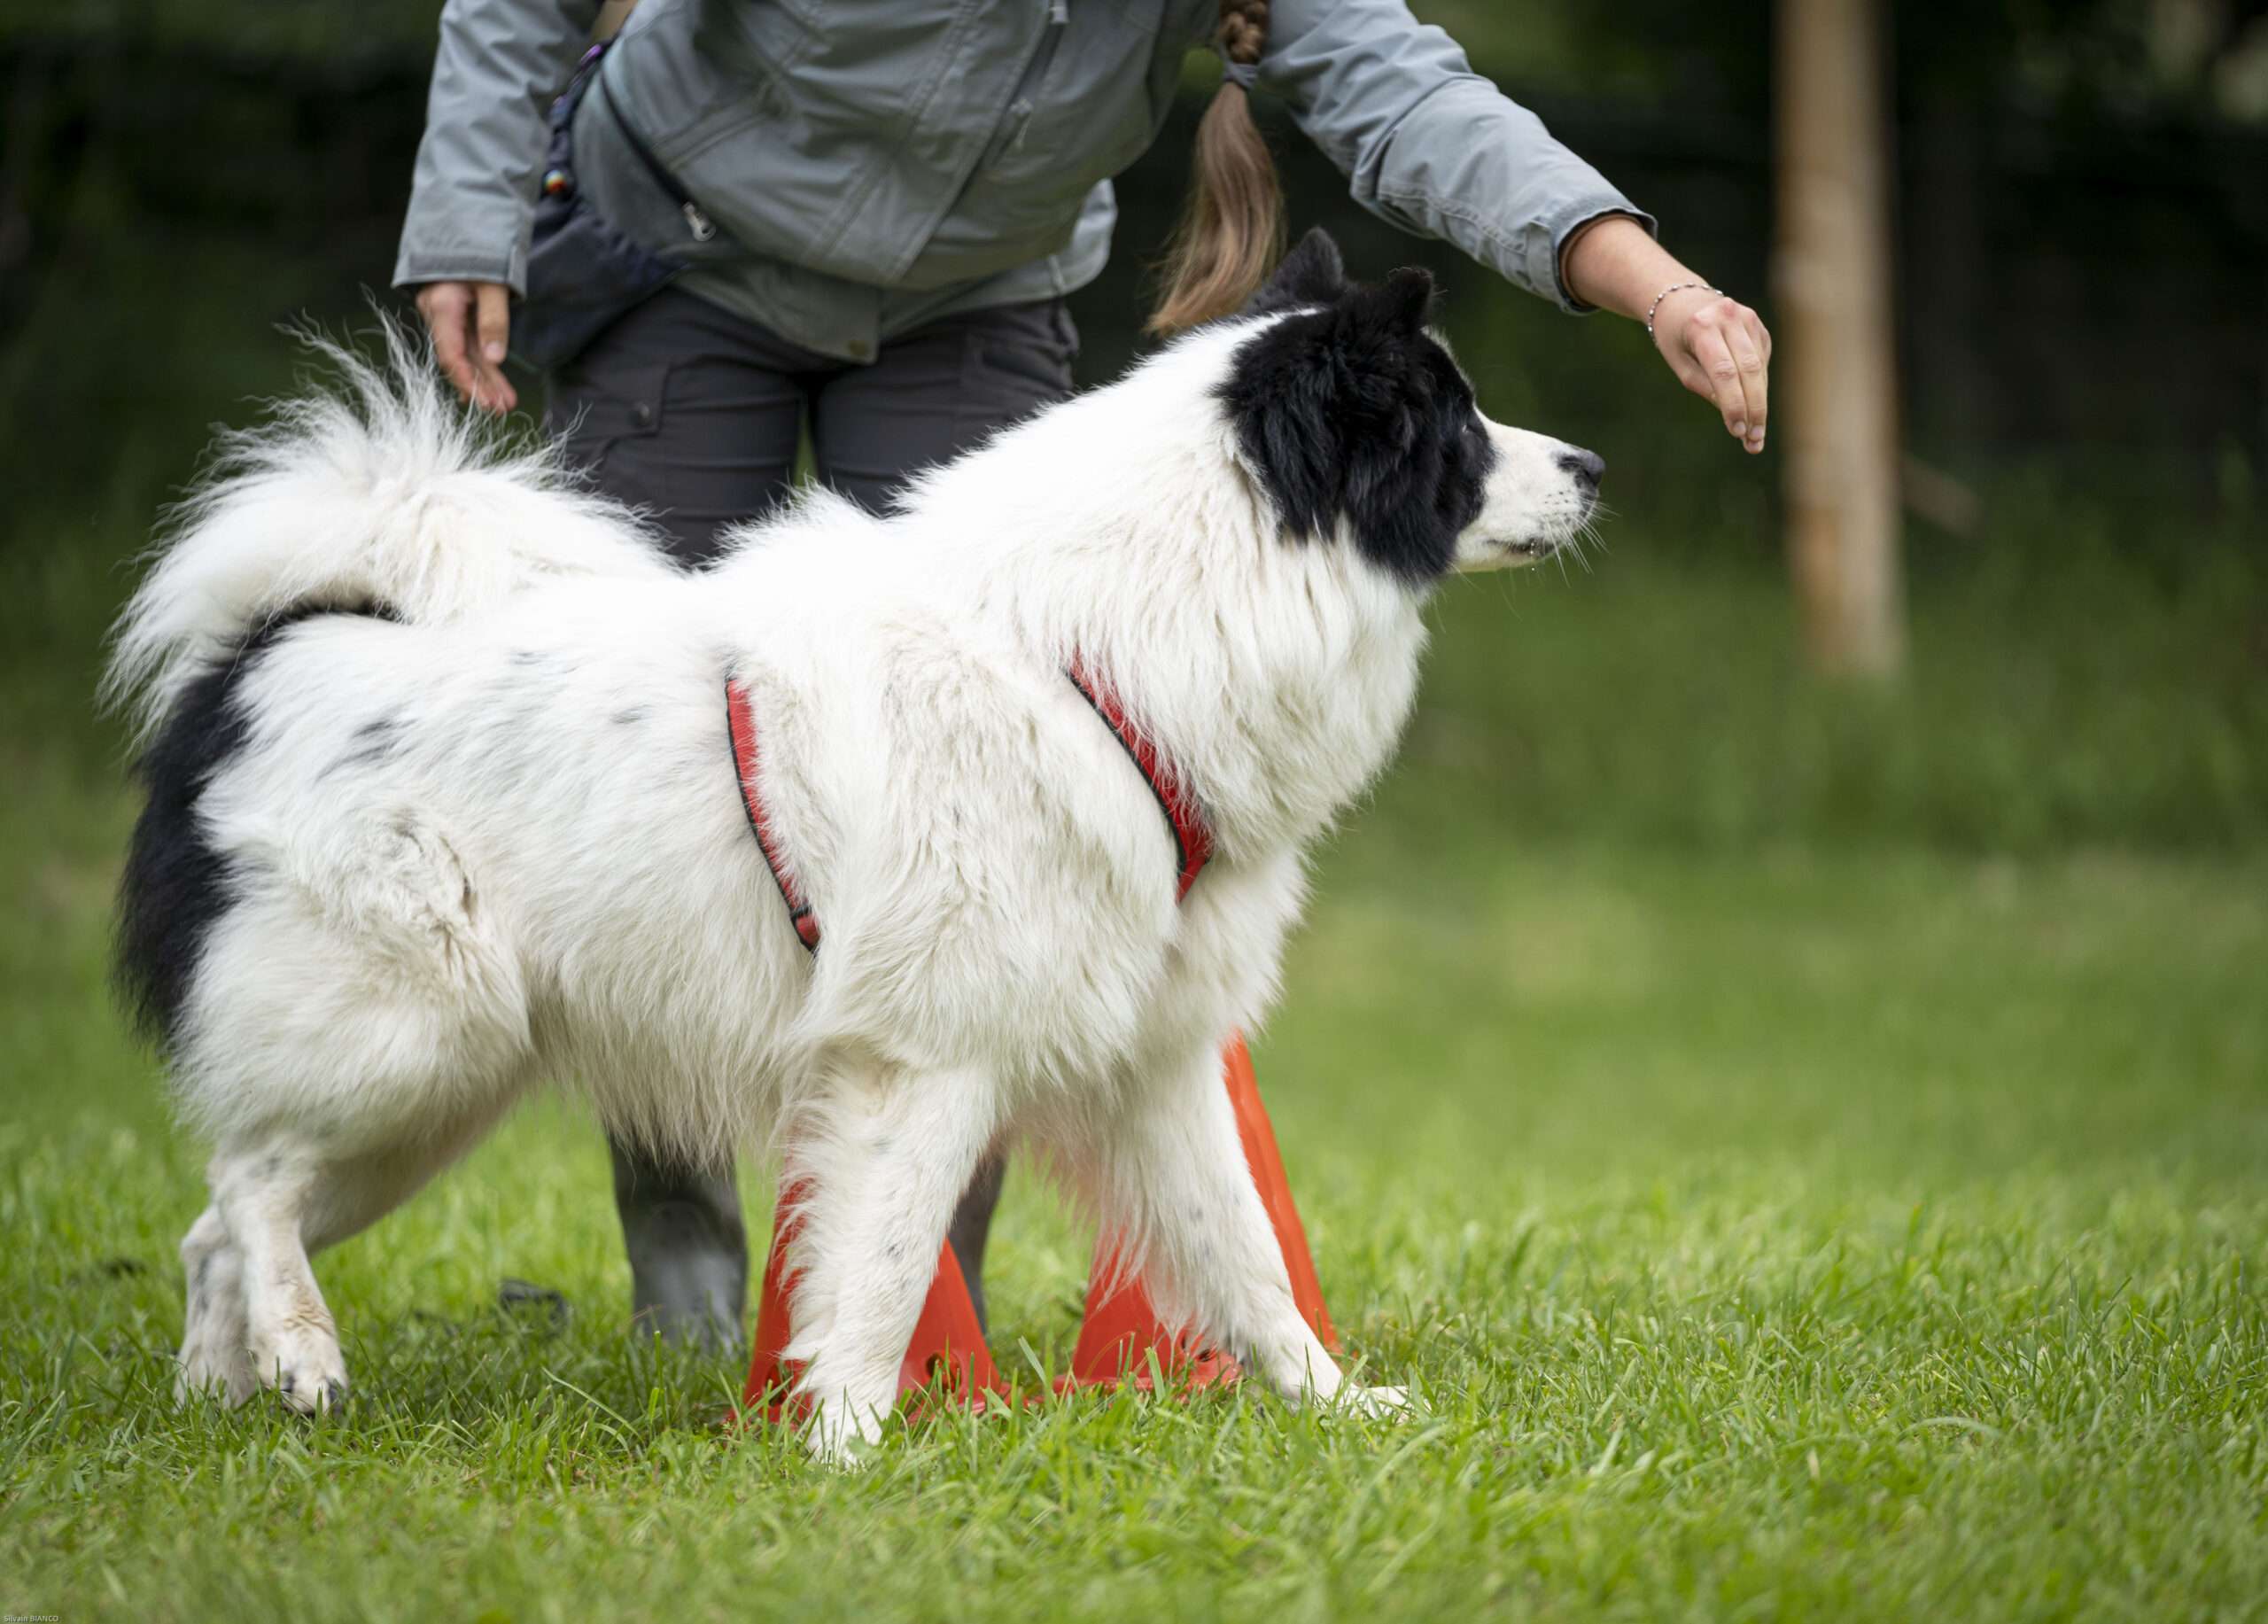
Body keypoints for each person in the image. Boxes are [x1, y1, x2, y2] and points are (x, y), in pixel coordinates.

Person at [395, 0, 1774, 1349]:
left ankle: (926, 1308)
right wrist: (469, 211)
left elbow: (1408, 92)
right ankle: (686, 1288)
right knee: (654, 805)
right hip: (686, 256)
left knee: (991, 867)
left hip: (970, 301)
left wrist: (1657, 284)